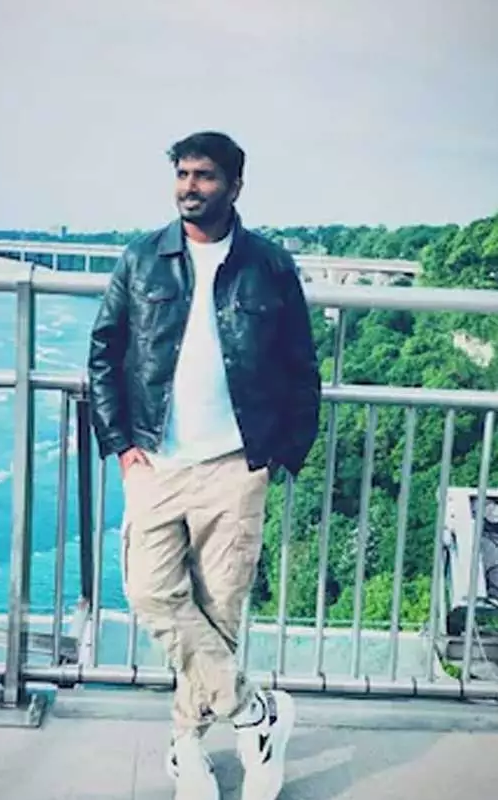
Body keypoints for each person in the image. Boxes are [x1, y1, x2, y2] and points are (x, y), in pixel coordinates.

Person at [87, 131, 320, 800]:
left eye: (205, 176)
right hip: (155, 461)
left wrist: (282, 455)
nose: (190, 187)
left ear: (235, 186)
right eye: (183, 174)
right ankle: (254, 712)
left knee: (218, 613)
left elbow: (300, 365)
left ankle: (186, 748)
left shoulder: (269, 265)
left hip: (235, 465)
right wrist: (122, 447)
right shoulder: (141, 260)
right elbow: (103, 355)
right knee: (150, 592)